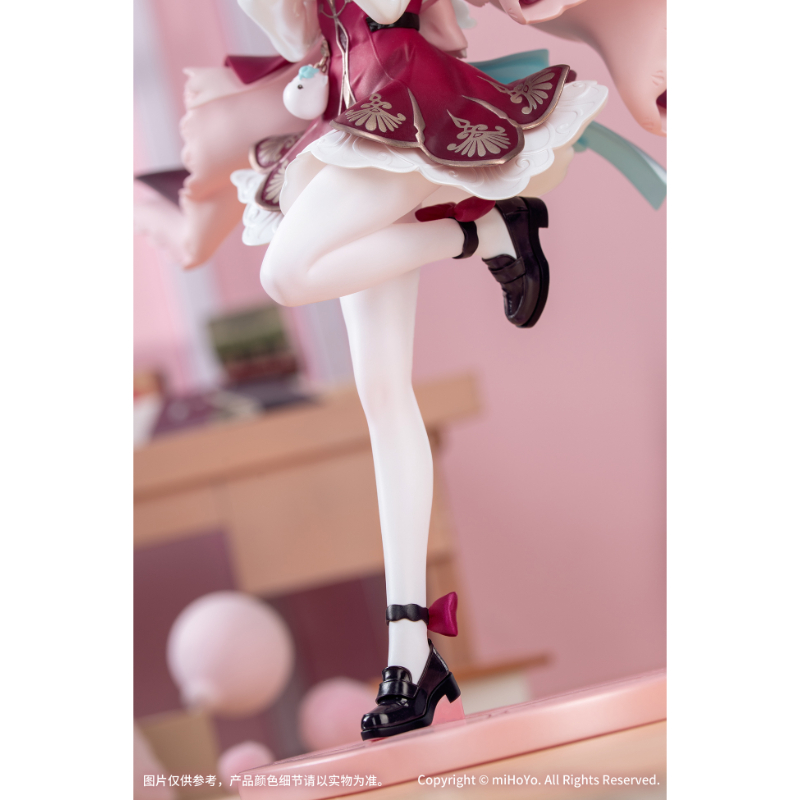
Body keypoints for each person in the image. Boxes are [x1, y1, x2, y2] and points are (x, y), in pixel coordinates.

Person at [232, 0, 607, 739]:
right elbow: (303, 36)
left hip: (403, 103)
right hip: (346, 120)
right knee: (381, 392)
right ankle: (412, 653)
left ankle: (485, 236)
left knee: (286, 274)